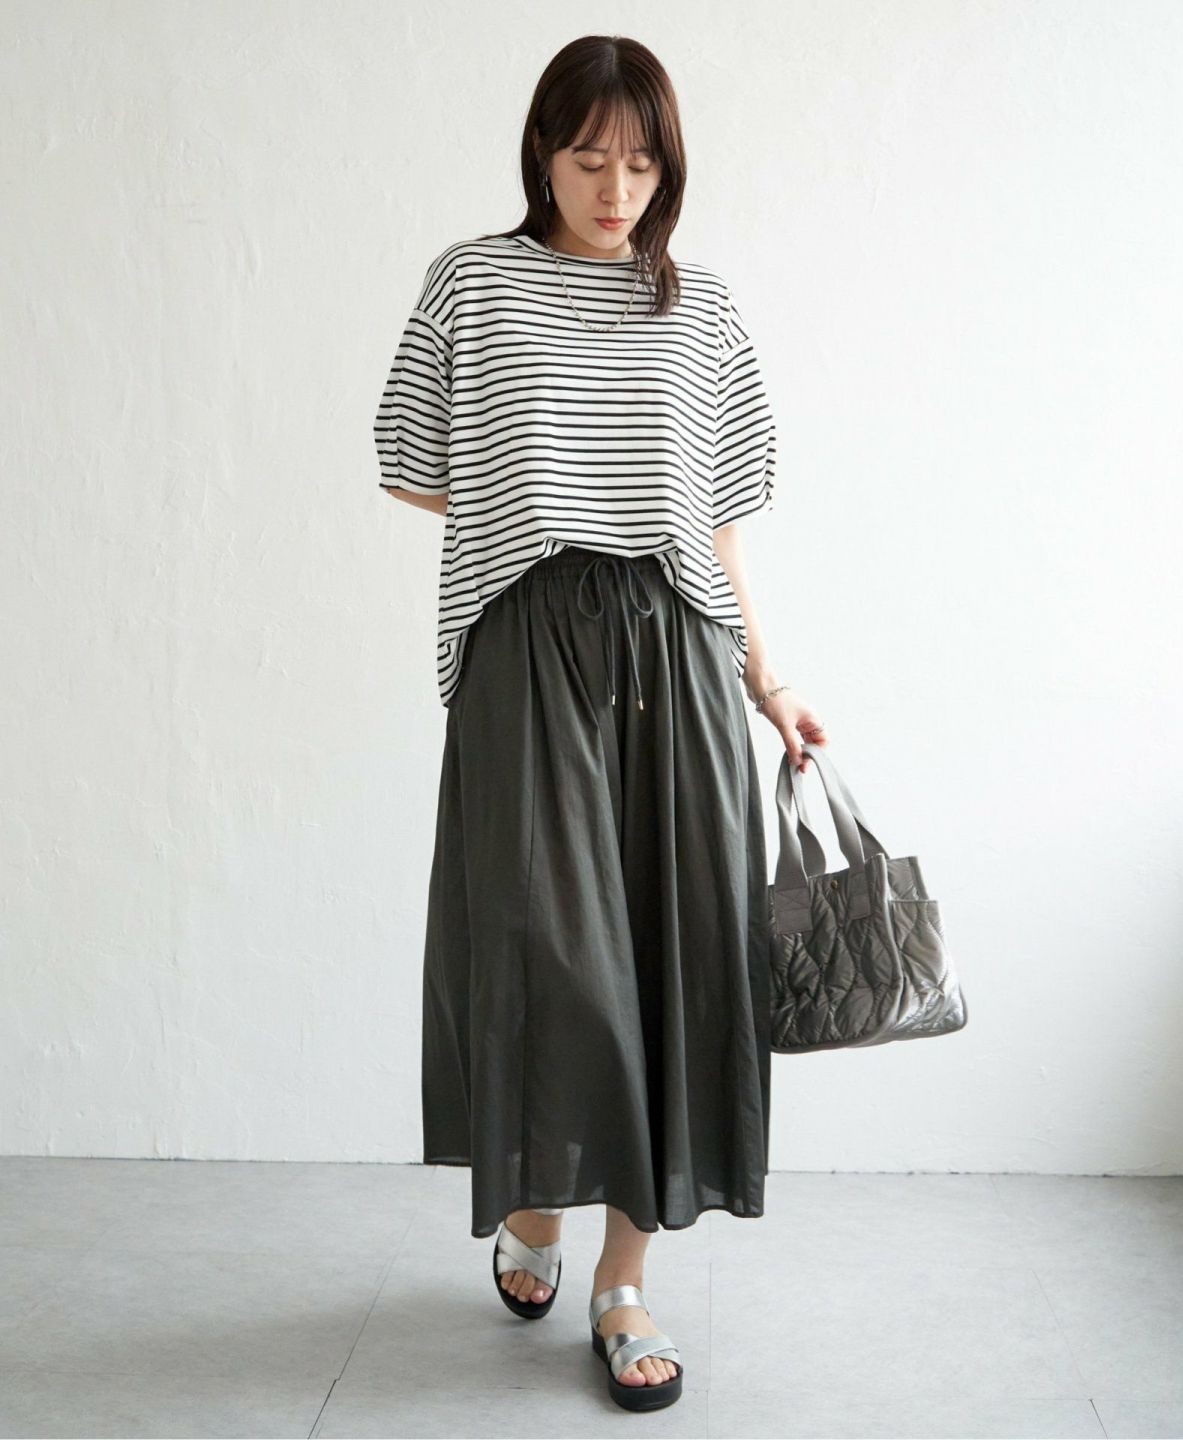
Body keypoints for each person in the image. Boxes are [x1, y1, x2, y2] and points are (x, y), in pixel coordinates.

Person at [373, 34, 828, 1415]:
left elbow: (720, 521)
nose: (615, 189)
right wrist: (540, 494)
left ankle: (623, 1285)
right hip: (527, 645)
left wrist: (768, 681)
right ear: (543, 155)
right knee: (549, 954)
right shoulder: (473, 282)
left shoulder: (703, 308)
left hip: (676, 650)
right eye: (588, 159)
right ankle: (534, 1204)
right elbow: (412, 464)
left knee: (681, 964)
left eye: (640, 164)